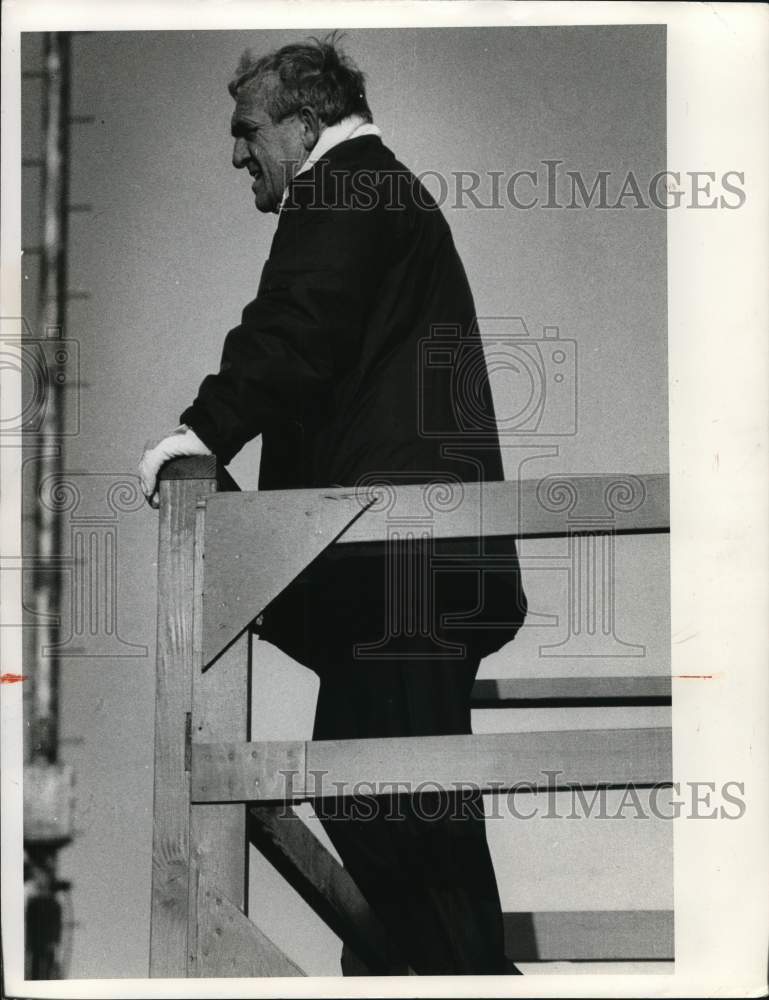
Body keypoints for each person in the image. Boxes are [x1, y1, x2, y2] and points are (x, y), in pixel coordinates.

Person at [139, 33, 527, 976]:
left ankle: (458, 982)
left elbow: (299, 328)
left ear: (305, 122)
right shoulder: (369, 189)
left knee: (396, 816)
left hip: (405, 574)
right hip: (402, 571)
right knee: (387, 809)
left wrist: (199, 437)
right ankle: (420, 974)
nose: (236, 154)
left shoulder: (346, 186)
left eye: (246, 131)